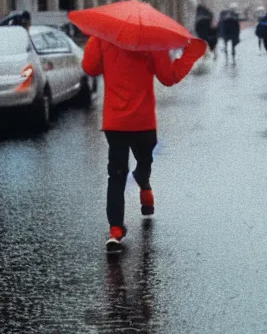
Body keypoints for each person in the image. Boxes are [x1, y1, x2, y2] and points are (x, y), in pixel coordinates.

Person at [82, 36, 206, 252]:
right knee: (142, 161)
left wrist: (97, 44)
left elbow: (90, 67)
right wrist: (191, 54)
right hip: (142, 120)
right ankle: (133, 201)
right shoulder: (150, 41)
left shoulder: (103, 37)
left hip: (115, 121)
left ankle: (116, 229)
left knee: (117, 174)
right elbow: (169, 77)